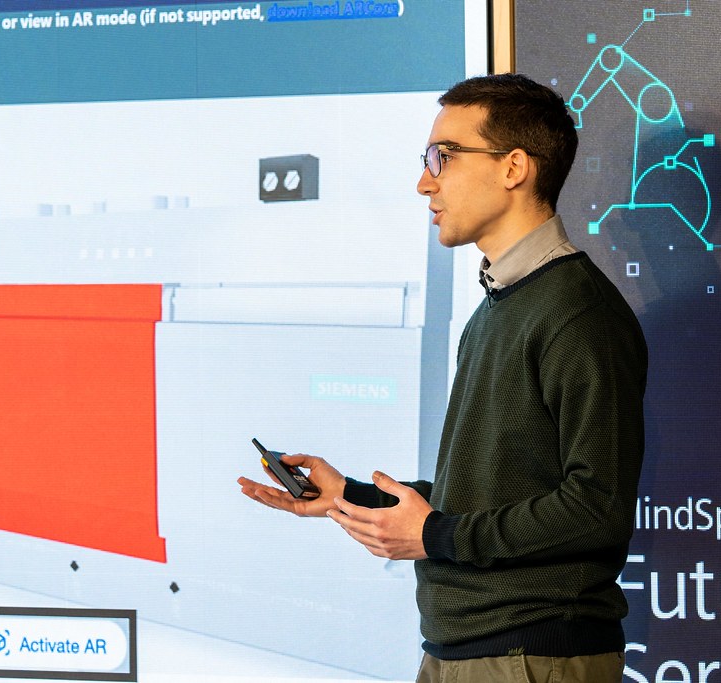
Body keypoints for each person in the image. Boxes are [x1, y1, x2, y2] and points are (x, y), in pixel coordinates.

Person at [238, 73, 648, 683]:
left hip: (529, 655)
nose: (425, 182)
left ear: (514, 168)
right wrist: (349, 496)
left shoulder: (578, 311)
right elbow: (487, 495)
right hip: (466, 652)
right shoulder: (496, 310)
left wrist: (435, 535)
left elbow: (596, 508)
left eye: (443, 157)